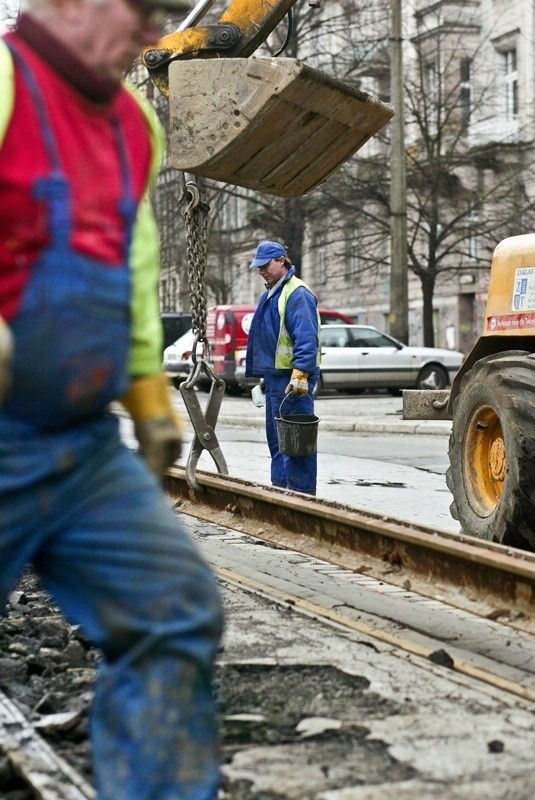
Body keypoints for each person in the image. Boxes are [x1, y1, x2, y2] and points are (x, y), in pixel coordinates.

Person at [0, 2, 224, 799]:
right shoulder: (5, 82)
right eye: (138, 9)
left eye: (162, 11)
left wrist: (146, 390)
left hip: (79, 444)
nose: (152, 28)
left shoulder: (134, 122)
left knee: (175, 611)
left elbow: (130, 265)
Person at [245, 240, 320, 495]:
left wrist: (301, 374)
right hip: (277, 379)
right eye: (258, 267)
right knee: (278, 442)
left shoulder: (296, 293)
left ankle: (301, 498)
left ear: (281, 260)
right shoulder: (272, 292)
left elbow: (307, 338)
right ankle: (281, 495)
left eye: (265, 265)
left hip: (293, 382)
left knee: (296, 444)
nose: (261, 271)